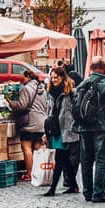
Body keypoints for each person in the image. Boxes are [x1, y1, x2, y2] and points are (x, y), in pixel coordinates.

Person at [74, 56, 105, 202]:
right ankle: (99, 193)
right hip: (101, 126)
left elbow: (76, 106)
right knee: (101, 159)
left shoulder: (82, 84)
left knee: (86, 160)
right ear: (104, 67)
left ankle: (87, 192)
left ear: (90, 68)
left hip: (83, 126)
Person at [42, 65, 80, 196]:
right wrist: (45, 132)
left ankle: (53, 188)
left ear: (62, 77)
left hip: (67, 129)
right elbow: (49, 111)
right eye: (52, 78)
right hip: (55, 129)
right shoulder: (51, 92)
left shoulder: (70, 92)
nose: (53, 80)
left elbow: (75, 111)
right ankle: (73, 186)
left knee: (60, 158)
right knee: (65, 160)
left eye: (56, 77)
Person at [8, 66, 48, 182]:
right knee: (37, 148)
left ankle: (30, 173)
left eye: (22, 78)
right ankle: (37, 172)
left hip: (29, 122)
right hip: (41, 122)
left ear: (28, 77)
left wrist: (10, 101)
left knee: (26, 148)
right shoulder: (43, 89)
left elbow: (22, 106)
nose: (21, 80)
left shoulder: (26, 89)